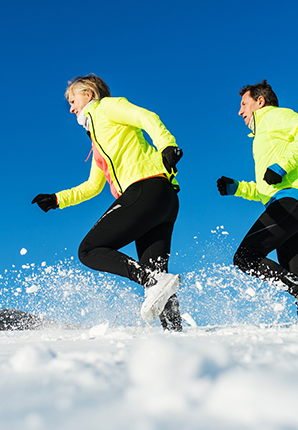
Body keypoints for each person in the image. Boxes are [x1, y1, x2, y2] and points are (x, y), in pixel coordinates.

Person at [32, 74, 184, 331]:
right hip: (161, 201)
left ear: (89, 94)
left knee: (88, 250)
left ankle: (149, 280)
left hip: (146, 189)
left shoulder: (107, 108)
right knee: (161, 282)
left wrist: (167, 144)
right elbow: (93, 186)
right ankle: (177, 336)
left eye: (72, 99)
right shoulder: (99, 141)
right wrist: (58, 199)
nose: (71, 108)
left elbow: (146, 117)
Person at [216, 79, 298, 323]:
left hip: (290, 201)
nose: (240, 111)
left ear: (259, 101)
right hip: (292, 206)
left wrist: (282, 166)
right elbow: (266, 188)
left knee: (245, 257)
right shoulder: (261, 136)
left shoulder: (272, 117)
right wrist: (237, 188)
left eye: (244, 104)